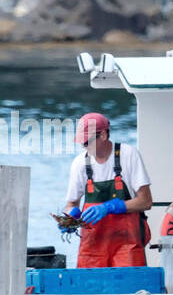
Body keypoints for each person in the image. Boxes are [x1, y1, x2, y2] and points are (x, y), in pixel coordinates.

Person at [60, 112, 153, 267]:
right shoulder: (79, 164)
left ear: (103, 135)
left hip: (126, 244)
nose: (83, 146)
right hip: (92, 247)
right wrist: (69, 218)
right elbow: (71, 204)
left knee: (129, 287)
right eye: (81, 142)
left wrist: (112, 207)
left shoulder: (128, 155)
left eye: (87, 142)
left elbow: (146, 201)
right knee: (89, 288)